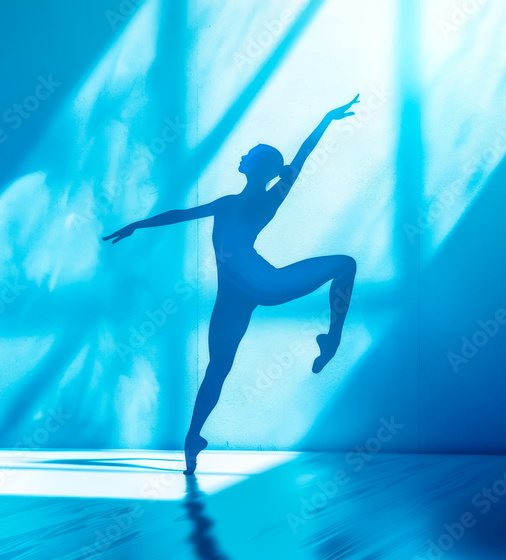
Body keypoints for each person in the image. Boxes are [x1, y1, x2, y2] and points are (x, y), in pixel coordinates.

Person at [104, 95, 360, 474]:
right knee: (218, 368)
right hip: (245, 295)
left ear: (257, 165)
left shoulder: (250, 201)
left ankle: (330, 340)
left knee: (218, 368)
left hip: (258, 287)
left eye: (249, 153)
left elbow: (301, 156)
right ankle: (194, 439)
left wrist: (325, 119)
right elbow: (181, 214)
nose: (242, 155)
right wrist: (138, 224)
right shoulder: (241, 202)